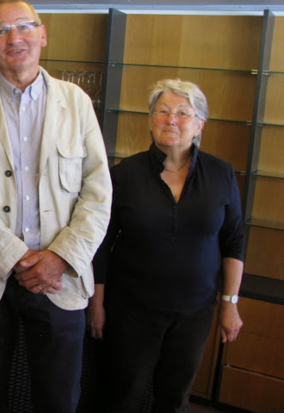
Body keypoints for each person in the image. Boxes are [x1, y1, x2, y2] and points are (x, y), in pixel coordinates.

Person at [0, 0, 112, 413]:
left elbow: (98, 192)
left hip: (60, 278)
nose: (13, 37)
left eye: (22, 26)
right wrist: (16, 257)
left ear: (42, 34)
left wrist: (59, 258)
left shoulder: (76, 103)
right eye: (0, 30)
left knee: (58, 400)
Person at [88, 79, 244, 412]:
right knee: (122, 395)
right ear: (150, 119)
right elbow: (100, 245)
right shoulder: (124, 175)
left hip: (195, 311)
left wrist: (230, 302)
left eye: (183, 113)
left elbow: (234, 239)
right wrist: (97, 304)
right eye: (162, 111)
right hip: (132, 311)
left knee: (174, 397)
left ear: (199, 124)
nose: (171, 119)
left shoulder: (222, 174)